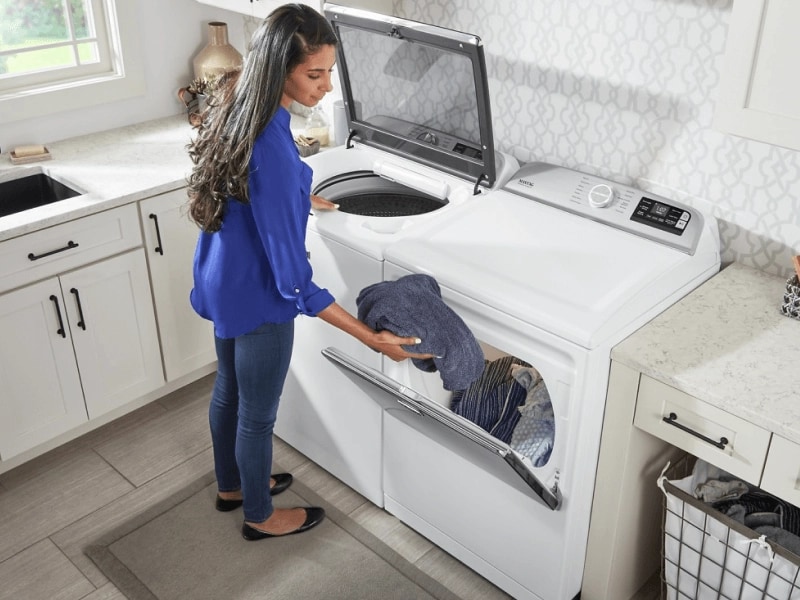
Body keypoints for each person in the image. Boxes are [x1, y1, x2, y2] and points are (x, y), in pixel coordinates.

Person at [186, 3, 431, 541]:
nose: (324, 86)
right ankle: (259, 516)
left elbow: (256, 190)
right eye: (313, 74)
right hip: (259, 298)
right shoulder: (270, 144)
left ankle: (232, 486)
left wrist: (300, 194)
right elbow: (295, 283)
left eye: (328, 72)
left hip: (221, 281)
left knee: (228, 388)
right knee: (257, 415)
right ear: (280, 69)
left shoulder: (238, 104)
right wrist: (372, 338)